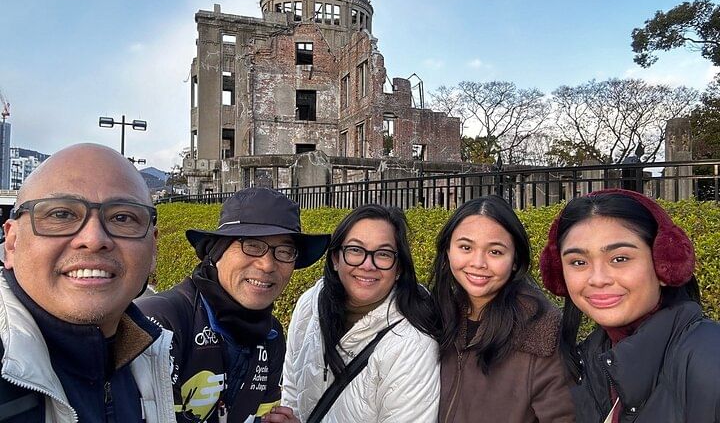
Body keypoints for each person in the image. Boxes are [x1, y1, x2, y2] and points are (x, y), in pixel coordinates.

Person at [0, 143, 175, 422]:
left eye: (122, 217)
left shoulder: (153, 356)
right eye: (61, 214)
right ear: (12, 243)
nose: (94, 239)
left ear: (153, 248)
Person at [137, 187, 330, 423]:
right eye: (252, 245)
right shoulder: (161, 322)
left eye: (285, 251)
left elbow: (260, 417)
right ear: (216, 250)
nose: (267, 265)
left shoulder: (271, 335)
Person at [540, 188, 720, 422]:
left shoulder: (710, 361)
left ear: (665, 264)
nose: (598, 279)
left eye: (620, 258)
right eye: (578, 262)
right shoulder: (588, 362)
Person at [282, 204, 440, 422]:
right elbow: (292, 389)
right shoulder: (310, 303)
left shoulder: (413, 344)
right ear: (335, 259)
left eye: (383, 254)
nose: (368, 265)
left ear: (399, 269)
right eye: (355, 250)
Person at [431, 195, 575, 423]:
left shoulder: (540, 331)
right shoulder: (434, 317)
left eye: (495, 252)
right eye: (466, 247)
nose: (478, 263)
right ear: (448, 250)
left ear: (515, 260)